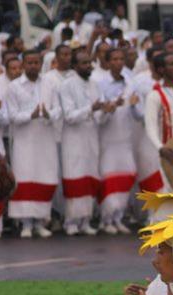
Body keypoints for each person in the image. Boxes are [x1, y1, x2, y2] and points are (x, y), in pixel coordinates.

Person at [7, 50, 61, 238]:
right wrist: (29, 116)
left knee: (44, 177)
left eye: (36, 62)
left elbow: (57, 110)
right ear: (23, 64)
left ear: (41, 64)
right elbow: (12, 115)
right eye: (29, 63)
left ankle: (40, 222)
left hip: (45, 139)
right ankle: (26, 224)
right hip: (24, 141)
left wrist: (48, 114)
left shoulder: (49, 84)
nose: (33, 66)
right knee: (25, 179)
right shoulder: (14, 86)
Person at [58, 48, 104, 236]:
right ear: (75, 66)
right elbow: (69, 116)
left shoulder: (95, 84)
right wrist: (90, 109)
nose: (88, 66)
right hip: (73, 139)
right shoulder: (67, 85)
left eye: (89, 63)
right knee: (75, 178)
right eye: (84, 63)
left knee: (90, 177)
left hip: (91, 137)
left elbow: (98, 113)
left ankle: (85, 221)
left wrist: (104, 110)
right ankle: (71, 222)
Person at [95, 48, 137, 234]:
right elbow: (99, 117)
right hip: (108, 139)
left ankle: (118, 216)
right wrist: (111, 107)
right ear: (107, 62)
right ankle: (106, 219)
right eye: (115, 59)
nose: (119, 62)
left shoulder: (129, 83)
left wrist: (134, 105)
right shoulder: (101, 84)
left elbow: (138, 115)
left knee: (126, 175)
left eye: (121, 58)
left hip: (125, 138)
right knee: (110, 178)